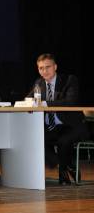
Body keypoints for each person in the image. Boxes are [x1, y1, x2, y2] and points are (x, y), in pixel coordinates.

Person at [27, 53, 88, 185]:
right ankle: (65, 164)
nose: (44, 71)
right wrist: (25, 103)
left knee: (63, 141)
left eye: (47, 67)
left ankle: (63, 172)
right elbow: (29, 100)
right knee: (34, 138)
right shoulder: (38, 83)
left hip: (70, 125)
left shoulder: (69, 80)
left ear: (55, 67)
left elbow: (70, 102)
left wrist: (45, 104)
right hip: (51, 127)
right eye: (41, 68)